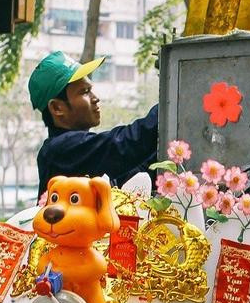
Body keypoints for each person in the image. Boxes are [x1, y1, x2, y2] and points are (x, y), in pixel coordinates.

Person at [29, 51, 159, 196]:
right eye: (85, 92)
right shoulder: (60, 150)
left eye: (91, 90)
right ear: (57, 108)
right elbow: (126, 145)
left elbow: (136, 168)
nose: (95, 98)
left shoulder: (90, 157)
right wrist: (170, 102)